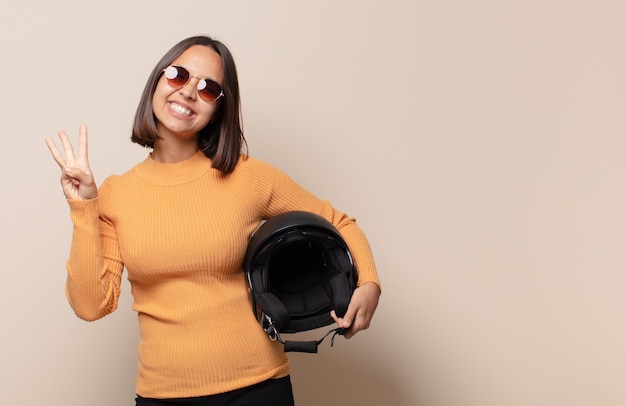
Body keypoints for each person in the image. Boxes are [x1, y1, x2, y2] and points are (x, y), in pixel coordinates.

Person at [45, 35, 381, 405]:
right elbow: (92, 305)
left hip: (259, 387)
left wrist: (369, 284)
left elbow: (339, 222)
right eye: (178, 75)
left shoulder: (246, 177)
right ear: (157, 81)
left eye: (208, 88)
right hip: (164, 395)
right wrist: (84, 208)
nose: (188, 92)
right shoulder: (114, 194)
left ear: (220, 108)